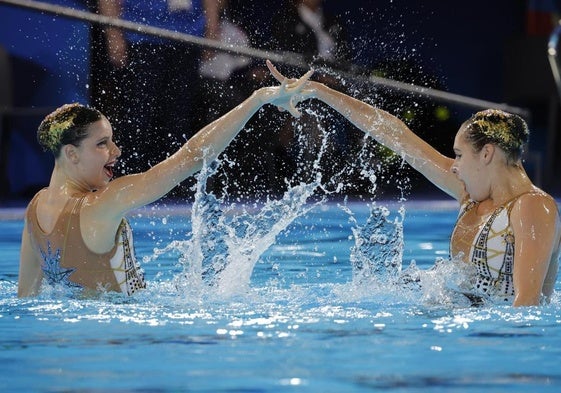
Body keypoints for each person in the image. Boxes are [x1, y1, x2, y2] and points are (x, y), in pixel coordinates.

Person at [267, 60, 560, 307]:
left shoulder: (533, 207)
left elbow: (526, 309)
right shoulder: (470, 193)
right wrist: (320, 91)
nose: (454, 166)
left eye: (459, 155)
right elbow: (395, 134)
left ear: (486, 154)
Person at [17, 67, 313, 297]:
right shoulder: (103, 203)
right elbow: (195, 157)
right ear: (71, 153)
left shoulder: (34, 210)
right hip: (123, 334)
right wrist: (257, 99)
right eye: (102, 144)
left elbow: (26, 297)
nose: (116, 152)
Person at [97, 0, 220, 175]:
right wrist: (114, 35)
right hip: (140, 36)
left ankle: (178, 180)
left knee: (180, 118)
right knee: (138, 117)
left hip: (187, 37)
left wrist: (212, 27)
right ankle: (131, 179)